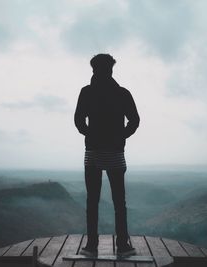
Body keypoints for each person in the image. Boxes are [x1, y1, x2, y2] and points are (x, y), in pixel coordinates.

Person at [74, 54, 140, 257]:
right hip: (115, 152)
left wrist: (90, 133)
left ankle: (92, 245)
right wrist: (120, 136)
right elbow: (134, 121)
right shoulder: (122, 93)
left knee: (92, 200)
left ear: (93, 69)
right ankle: (122, 245)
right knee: (119, 202)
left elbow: (78, 121)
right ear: (111, 69)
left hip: (93, 151)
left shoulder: (86, 92)